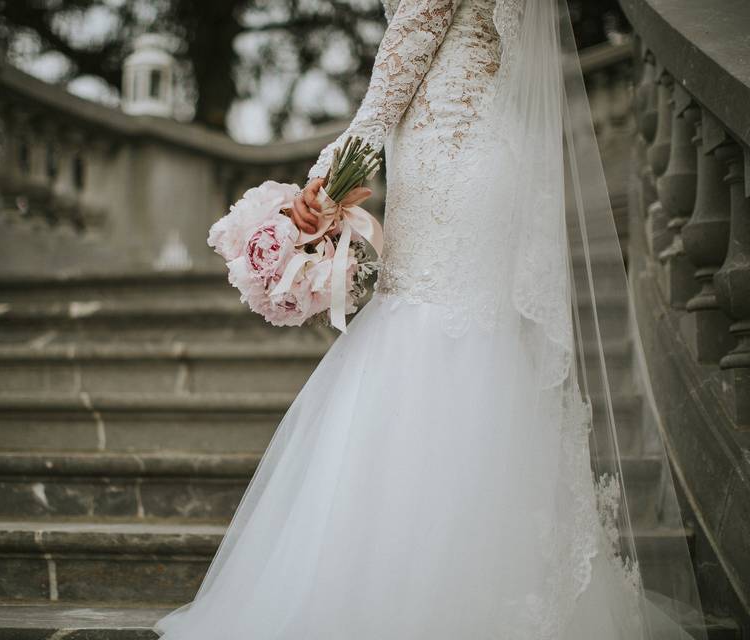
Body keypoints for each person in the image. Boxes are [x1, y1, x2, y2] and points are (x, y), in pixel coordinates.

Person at [154, 1, 704, 638]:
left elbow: (411, 38)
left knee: (428, 330)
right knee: (472, 338)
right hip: (483, 149)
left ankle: (417, 590)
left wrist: (335, 170)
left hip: (449, 157)